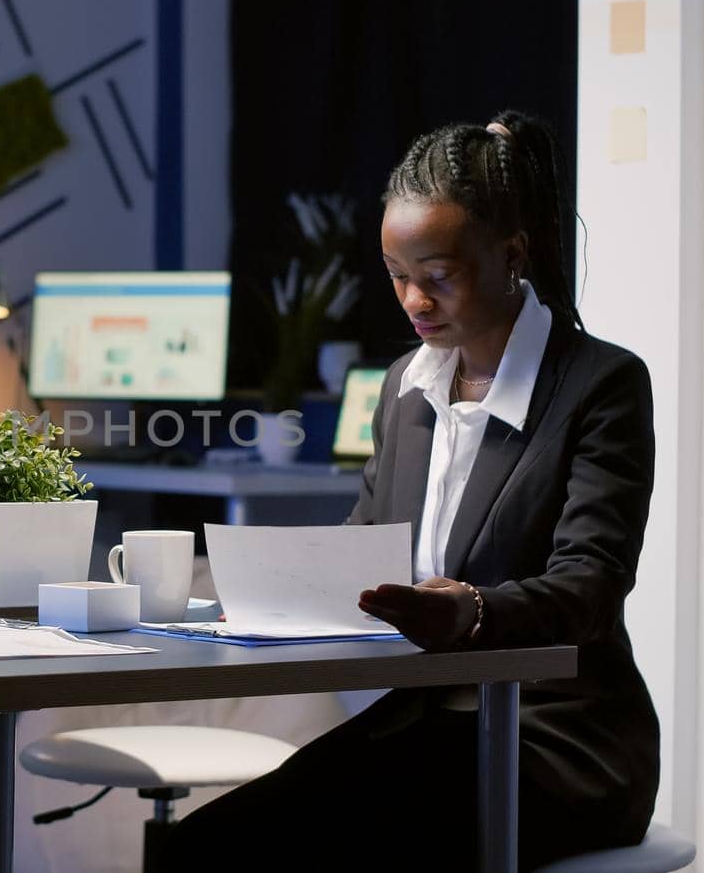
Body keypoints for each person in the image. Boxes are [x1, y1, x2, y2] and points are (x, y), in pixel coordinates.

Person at [160, 110, 658, 871]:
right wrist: (278, 600)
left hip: (556, 740)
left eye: (438, 277)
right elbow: (366, 551)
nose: (415, 301)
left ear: (511, 255)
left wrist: (476, 611)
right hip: (432, 727)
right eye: (398, 278)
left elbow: (590, 586)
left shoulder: (600, 384)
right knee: (201, 847)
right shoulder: (404, 386)